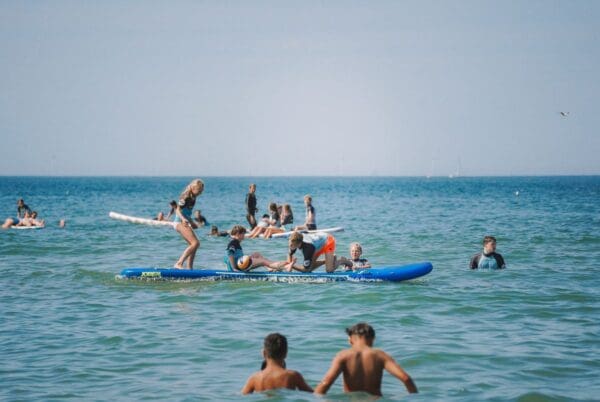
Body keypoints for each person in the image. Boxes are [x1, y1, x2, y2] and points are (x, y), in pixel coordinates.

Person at [314, 323, 418, 396]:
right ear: (373, 339)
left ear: (350, 340)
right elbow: (406, 378)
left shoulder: (343, 355)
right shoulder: (380, 355)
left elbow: (326, 382)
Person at [241, 333, 313, 394]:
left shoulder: (255, 378)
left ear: (263, 353)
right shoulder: (293, 376)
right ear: (286, 354)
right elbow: (313, 395)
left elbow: (242, 396)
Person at [173, 179, 204, 269]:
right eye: (199, 190)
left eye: (201, 191)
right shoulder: (186, 196)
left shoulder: (193, 197)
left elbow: (186, 212)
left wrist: (192, 222)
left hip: (185, 222)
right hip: (179, 222)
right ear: (193, 188)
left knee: (193, 245)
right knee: (195, 243)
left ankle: (189, 268)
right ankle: (179, 263)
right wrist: (183, 219)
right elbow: (177, 210)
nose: (200, 193)